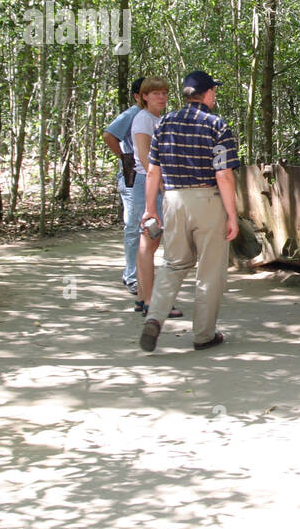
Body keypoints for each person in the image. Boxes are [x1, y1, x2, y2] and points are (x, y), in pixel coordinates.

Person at [139, 70, 241, 352]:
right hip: (206, 200)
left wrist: (150, 209)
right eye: (214, 91)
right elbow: (224, 175)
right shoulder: (216, 125)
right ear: (208, 94)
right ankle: (203, 335)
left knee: (173, 264)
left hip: (172, 201)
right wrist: (232, 215)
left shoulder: (164, 124)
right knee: (209, 270)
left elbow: (152, 172)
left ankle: (155, 318)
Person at [130, 77, 182, 319]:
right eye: (155, 93)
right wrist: (160, 187)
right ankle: (152, 300)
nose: (161, 97)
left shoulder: (158, 119)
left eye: (164, 93)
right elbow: (143, 157)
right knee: (149, 242)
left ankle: (143, 297)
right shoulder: (143, 119)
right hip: (148, 184)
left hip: (154, 183)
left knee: (150, 242)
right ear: (144, 97)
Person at [102, 77, 144, 294]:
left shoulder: (152, 116)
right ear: (138, 95)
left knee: (148, 225)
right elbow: (109, 134)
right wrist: (124, 156)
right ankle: (131, 275)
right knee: (133, 225)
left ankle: (142, 272)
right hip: (131, 176)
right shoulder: (131, 114)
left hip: (147, 176)